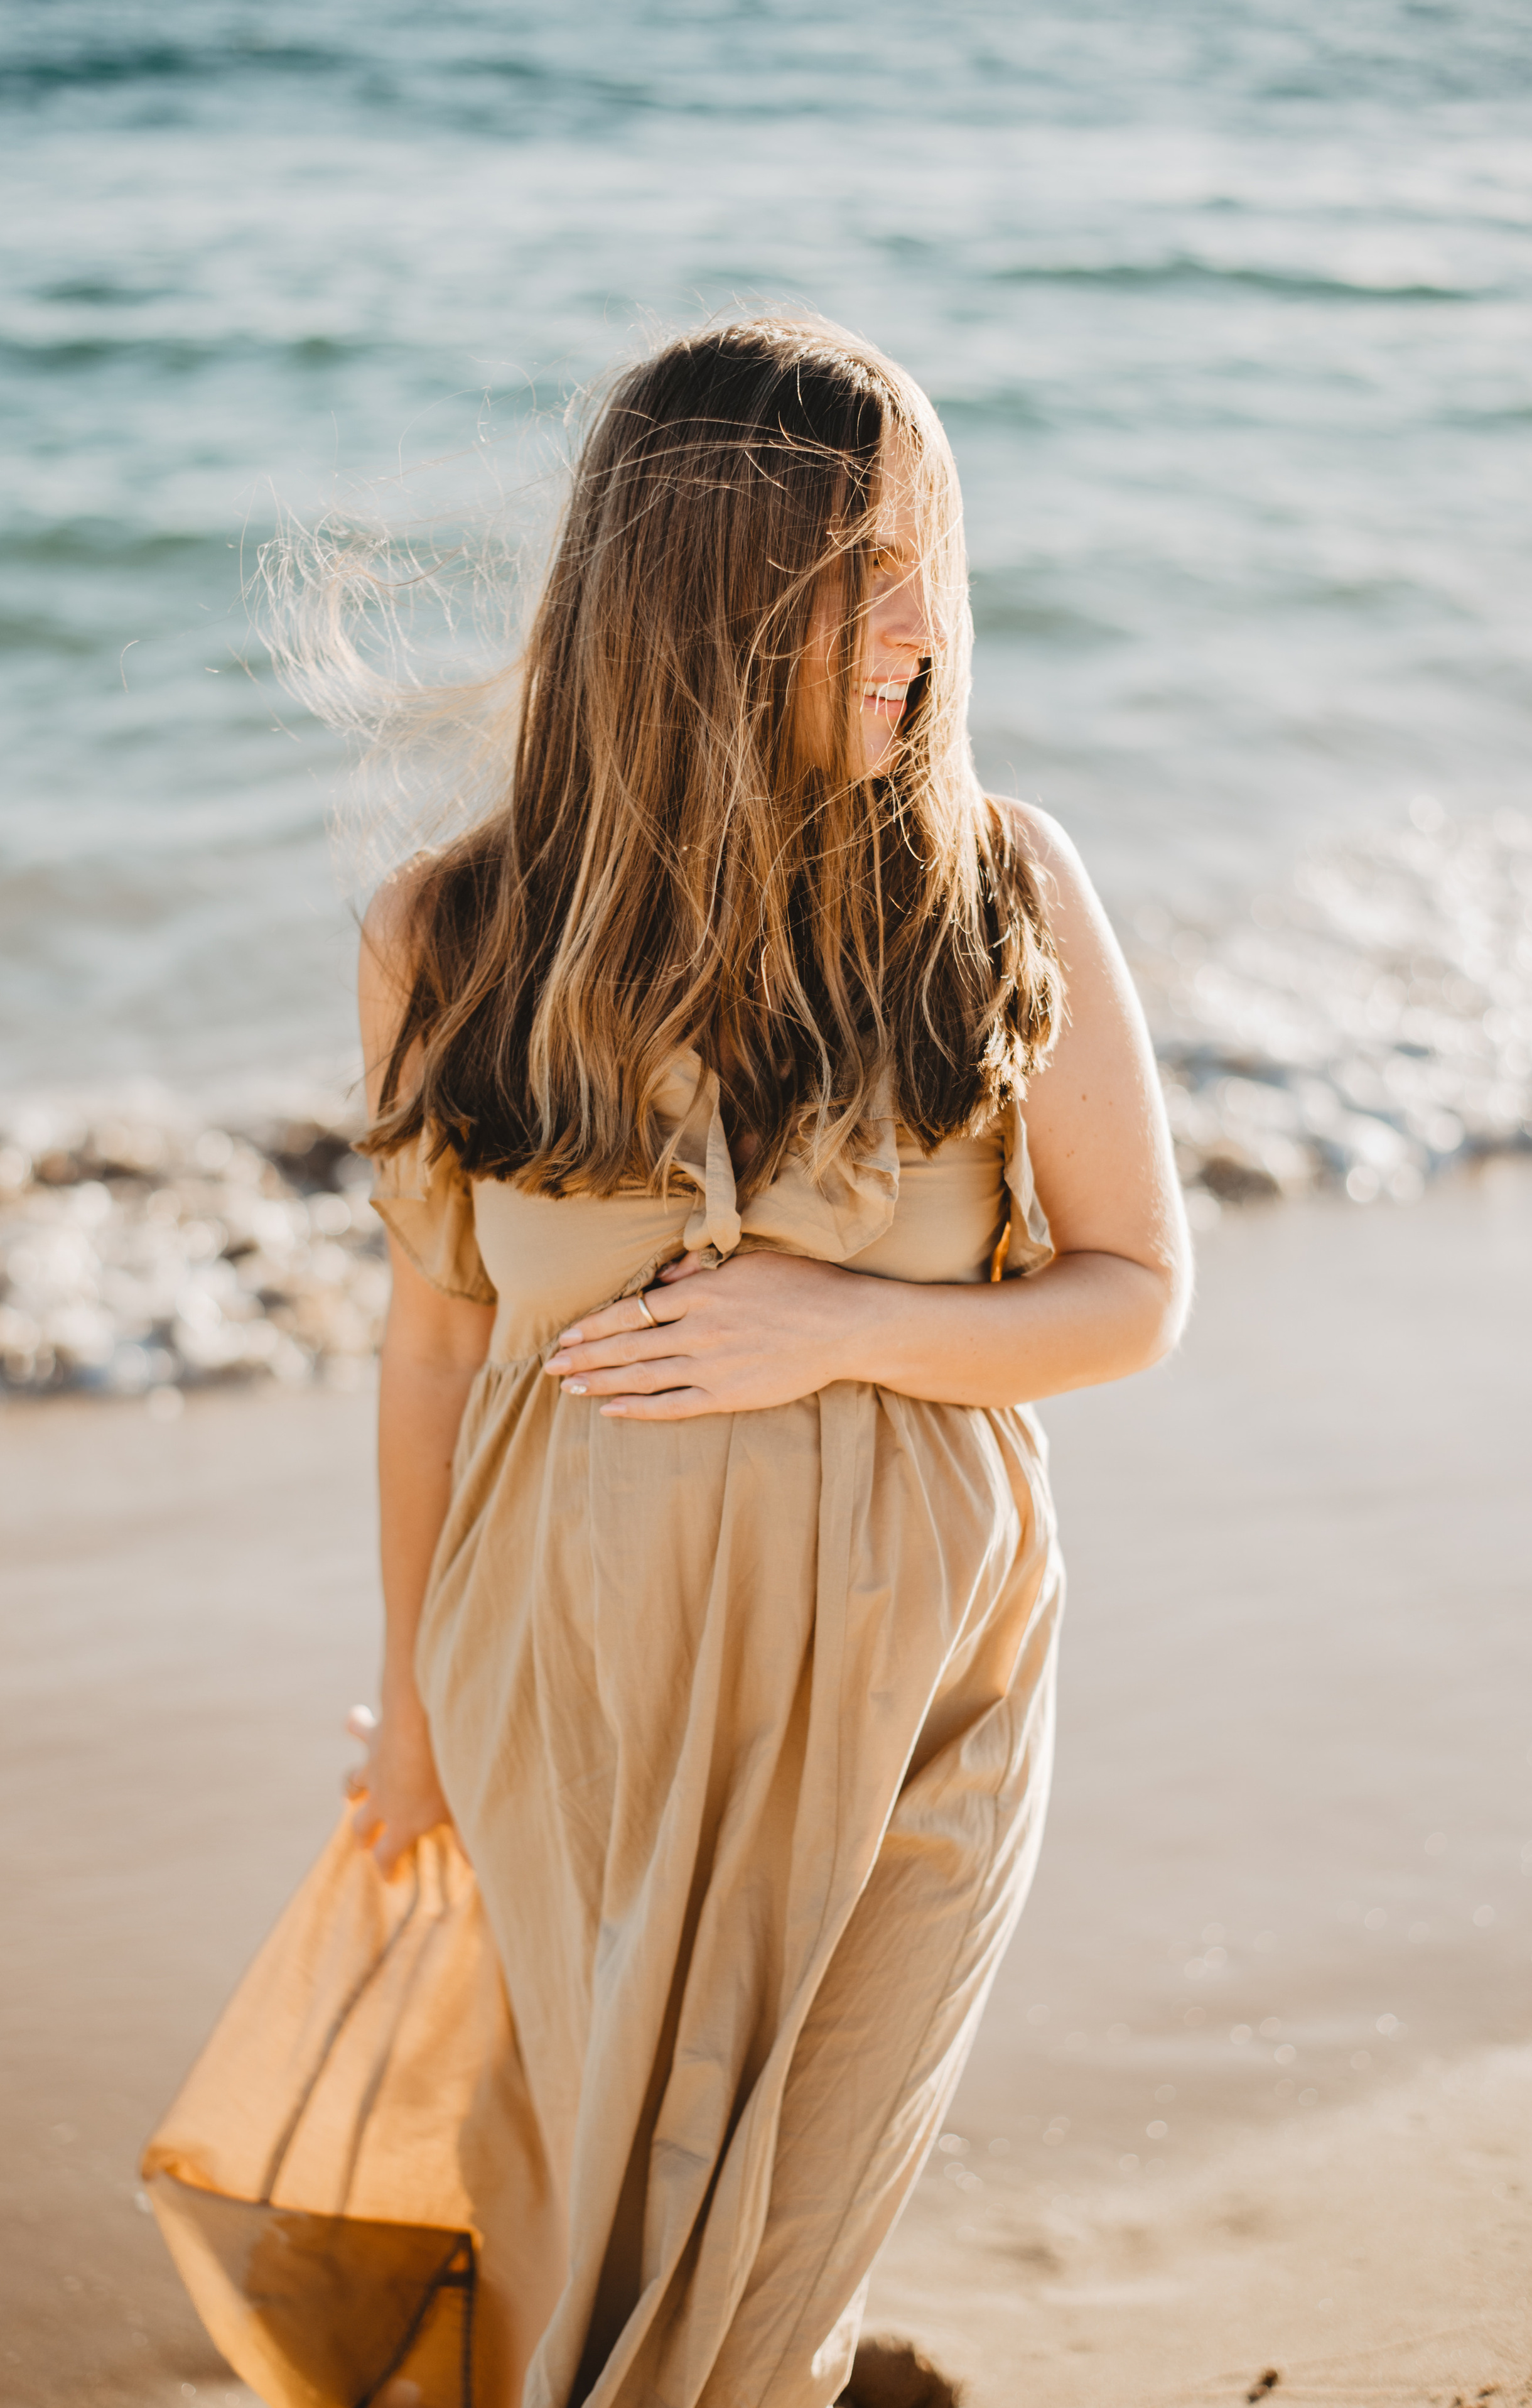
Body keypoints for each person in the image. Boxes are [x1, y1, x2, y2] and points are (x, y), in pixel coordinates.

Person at [345, 315, 1190, 2408]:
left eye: (928, 565)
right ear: (710, 598)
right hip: (571, 1708)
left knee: (765, 2282)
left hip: (925, 1705)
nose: (924, 627)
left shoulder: (995, 885)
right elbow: (436, 1346)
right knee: (592, 2254)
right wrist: (416, 1719)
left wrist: (848, 1323)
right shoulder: (452, 933)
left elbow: (1135, 1288)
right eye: (864, 574)